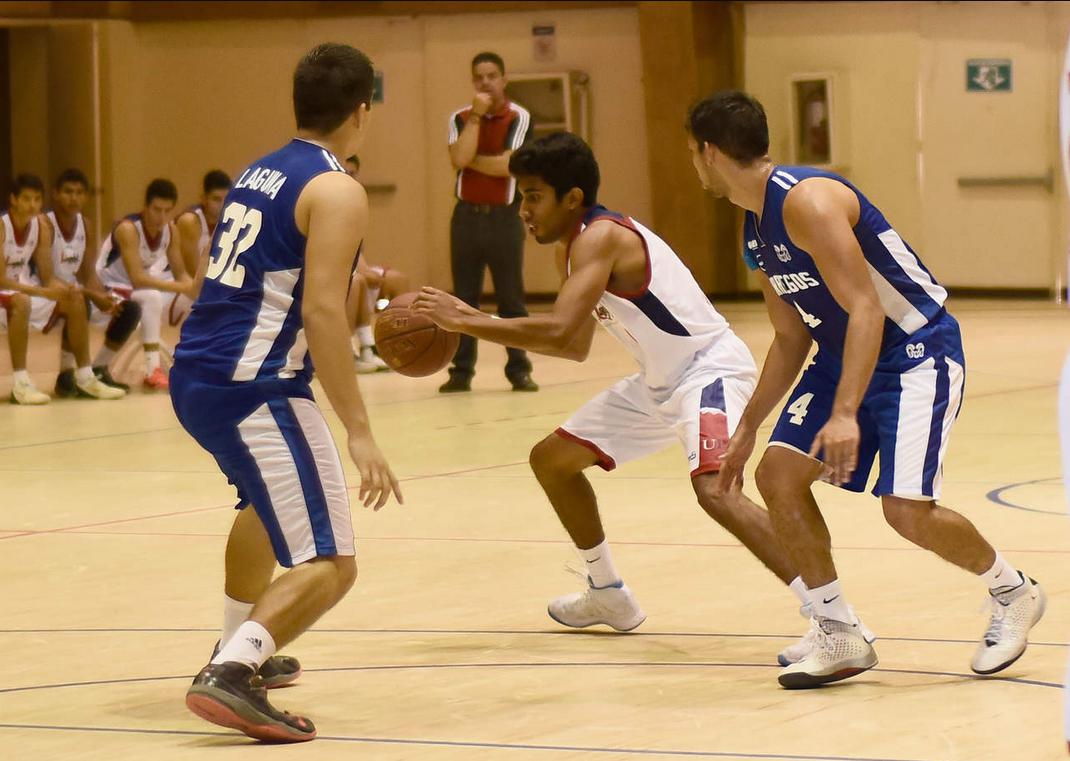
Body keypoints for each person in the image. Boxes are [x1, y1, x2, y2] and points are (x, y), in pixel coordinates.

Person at [686, 90, 1045, 688]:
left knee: (905, 512)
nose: (694, 166)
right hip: (839, 352)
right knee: (778, 474)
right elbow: (789, 334)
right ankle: (838, 630)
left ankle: (1013, 592)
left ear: (709, 152)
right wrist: (748, 425)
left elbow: (867, 308)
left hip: (913, 350)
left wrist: (846, 412)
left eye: (692, 155)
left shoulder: (810, 201)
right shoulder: (753, 222)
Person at [414, 132, 816, 638]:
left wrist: (468, 320)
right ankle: (607, 593)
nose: (523, 209)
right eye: (521, 197)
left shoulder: (601, 236)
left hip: (707, 370)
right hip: (659, 384)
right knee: (552, 461)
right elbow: (575, 344)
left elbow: (559, 331)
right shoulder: (574, 248)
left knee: (716, 491)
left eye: (534, 195)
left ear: (573, 197)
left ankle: (827, 610)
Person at [171, 42, 402, 743]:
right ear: (362, 111)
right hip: (258, 386)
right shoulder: (338, 189)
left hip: (197, 375)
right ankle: (235, 670)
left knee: (261, 511)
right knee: (332, 561)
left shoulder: (260, 169)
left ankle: (234, 641)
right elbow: (323, 312)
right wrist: (359, 429)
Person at [442, 51, 537, 393]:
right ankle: (461, 372)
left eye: (492, 76)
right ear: (473, 81)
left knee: (512, 300)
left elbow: (508, 166)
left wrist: (469, 160)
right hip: (466, 218)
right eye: (479, 77)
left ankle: (519, 370)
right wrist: (477, 120)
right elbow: (458, 159)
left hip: (504, 218)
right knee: (464, 300)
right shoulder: (460, 117)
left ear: (503, 79)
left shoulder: (519, 117)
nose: (486, 82)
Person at [0, 174, 120, 403]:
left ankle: (85, 377)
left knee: (73, 298)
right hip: (9, 290)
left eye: (37, 199)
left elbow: (47, 277)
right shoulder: (2, 225)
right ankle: (21, 383)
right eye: (26, 199)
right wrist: (40, 292)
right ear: (13, 200)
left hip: (17, 292)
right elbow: (1, 280)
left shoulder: (40, 226)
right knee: (22, 300)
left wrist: (77, 291)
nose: (33, 205)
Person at [41, 168, 140, 396]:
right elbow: (47, 279)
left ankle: (99, 368)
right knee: (79, 300)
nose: (73, 198)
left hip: (75, 290)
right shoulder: (45, 224)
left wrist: (106, 297)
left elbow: (87, 275)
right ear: (55, 194)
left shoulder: (85, 224)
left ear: (85, 196)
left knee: (128, 308)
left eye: (79, 192)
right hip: (43, 291)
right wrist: (91, 294)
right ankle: (68, 374)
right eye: (68, 192)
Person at [97, 178, 194, 390]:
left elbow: (181, 275)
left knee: (194, 299)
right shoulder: (128, 229)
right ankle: (153, 370)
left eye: (167, 211)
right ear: (145, 207)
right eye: (156, 209)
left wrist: (199, 290)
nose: (161, 216)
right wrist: (184, 287)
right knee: (152, 297)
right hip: (107, 287)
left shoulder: (171, 231)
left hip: (133, 290)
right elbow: (137, 278)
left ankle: (197, 364)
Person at [341, 155, 408, 373]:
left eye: (353, 173)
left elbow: (355, 247)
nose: (349, 177)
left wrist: (365, 268)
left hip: (352, 264)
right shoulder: (328, 198)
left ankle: (388, 346)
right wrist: (362, 270)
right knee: (358, 281)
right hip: (331, 271)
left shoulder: (354, 199)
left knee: (397, 280)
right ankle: (348, 350)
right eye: (344, 172)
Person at [170, 169, 231, 327]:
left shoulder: (230, 222)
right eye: (216, 199)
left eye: (227, 199)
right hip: (171, 285)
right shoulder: (190, 221)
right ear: (204, 199)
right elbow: (193, 272)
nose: (222, 204)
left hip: (198, 286)